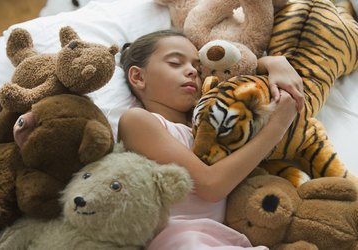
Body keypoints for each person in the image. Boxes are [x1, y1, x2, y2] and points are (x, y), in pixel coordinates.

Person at [118, 29, 303, 249]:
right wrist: (278, 126)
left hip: (224, 238)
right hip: (182, 239)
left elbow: (238, 66)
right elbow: (211, 185)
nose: (191, 72)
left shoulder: (208, 124)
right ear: (138, 77)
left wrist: (275, 63)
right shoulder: (139, 121)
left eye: (198, 68)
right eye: (176, 63)